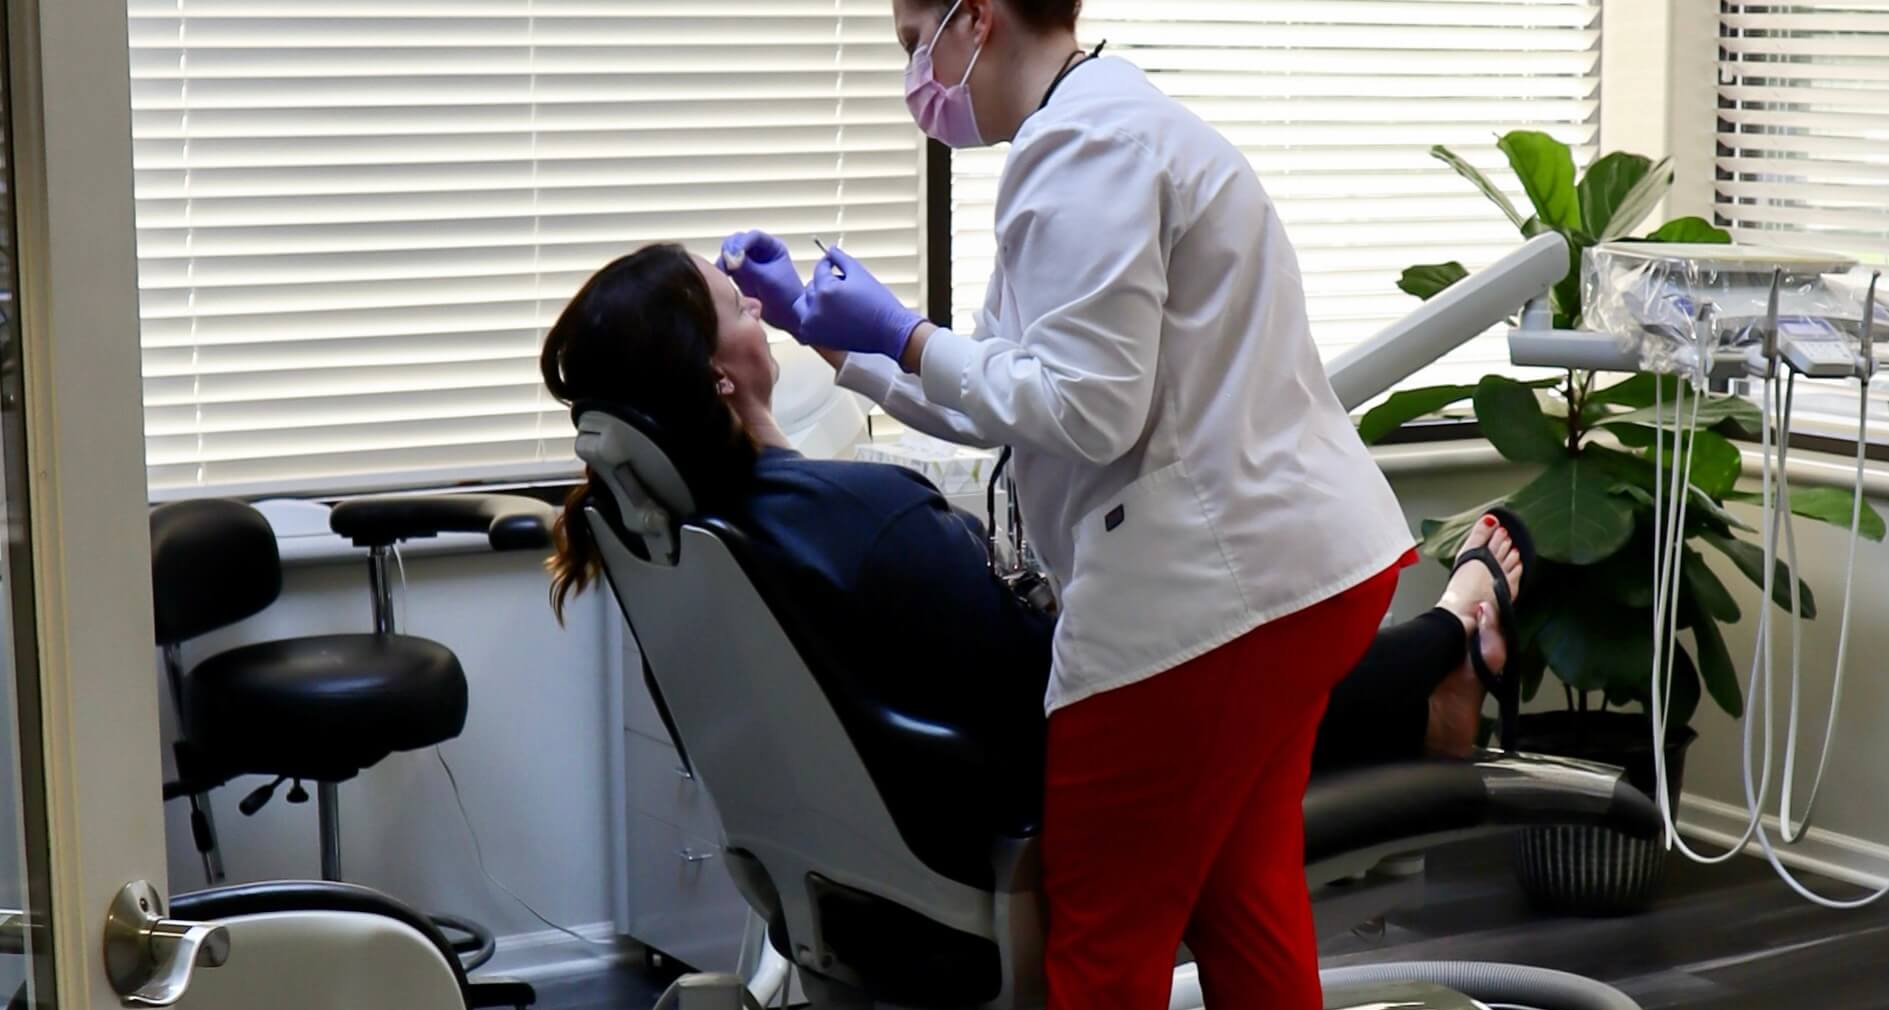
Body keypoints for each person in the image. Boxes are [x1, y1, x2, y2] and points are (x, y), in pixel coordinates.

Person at [721, 0, 1426, 1010]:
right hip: (1301, 560)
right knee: (1244, 897)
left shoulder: (1082, 150)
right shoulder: (1095, 131)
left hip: (1205, 586)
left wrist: (904, 333)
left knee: (1106, 934)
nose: (908, 81)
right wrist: (849, 339)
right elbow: (1007, 388)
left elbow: (1086, 407)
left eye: (907, 41)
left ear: (971, 16)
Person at [541, 241, 1522, 839]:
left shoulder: (697, 529)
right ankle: (1445, 649)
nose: (760, 305)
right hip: (1040, 788)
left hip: (903, 815)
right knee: (1226, 657)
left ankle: (1433, 654)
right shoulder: (862, 516)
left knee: (1220, 648)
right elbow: (1049, 678)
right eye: (739, 306)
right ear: (720, 373)